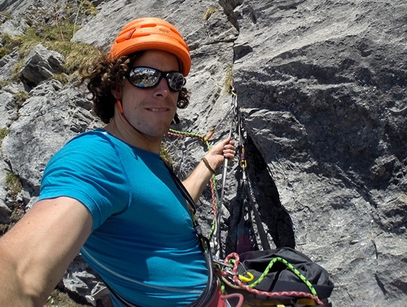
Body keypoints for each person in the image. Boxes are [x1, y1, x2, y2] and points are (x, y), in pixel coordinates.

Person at [0, 17, 235, 307]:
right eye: (145, 76)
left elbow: (168, 209)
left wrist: (208, 163)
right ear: (116, 87)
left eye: (174, 80)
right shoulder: (96, 157)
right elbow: (20, 272)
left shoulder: (147, 161)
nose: (163, 89)